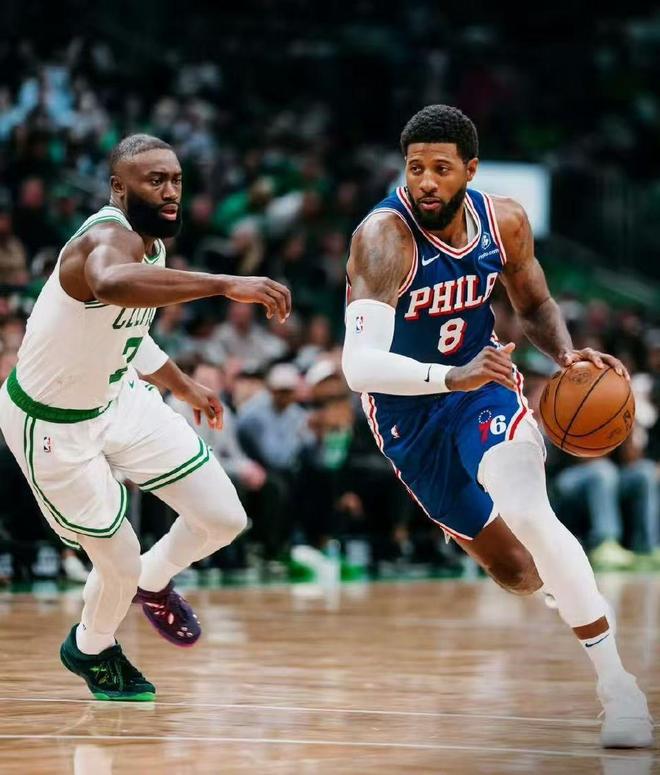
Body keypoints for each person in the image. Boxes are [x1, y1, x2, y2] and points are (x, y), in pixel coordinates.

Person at [341, 105, 652, 748]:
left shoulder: (504, 221)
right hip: (405, 411)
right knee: (517, 572)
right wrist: (447, 376)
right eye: (415, 168)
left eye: (441, 168)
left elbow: (534, 303)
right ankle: (560, 583)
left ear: (470, 170)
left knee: (531, 512)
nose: (426, 181)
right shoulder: (383, 237)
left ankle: (619, 689)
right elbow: (358, 366)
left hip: (483, 386)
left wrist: (565, 356)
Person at [0, 134, 291, 701]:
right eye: (155, 180)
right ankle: (90, 648)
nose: (170, 191)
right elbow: (111, 283)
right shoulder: (106, 239)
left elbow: (129, 329)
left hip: (119, 397)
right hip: (52, 424)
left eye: (176, 180)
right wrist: (224, 284)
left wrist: (182, 384)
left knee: (223, 518)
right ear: (118, 188)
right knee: (118, 560)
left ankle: (152, 582)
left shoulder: (150, 246)